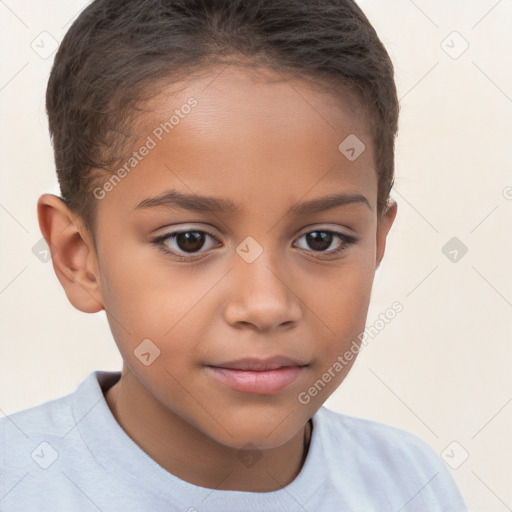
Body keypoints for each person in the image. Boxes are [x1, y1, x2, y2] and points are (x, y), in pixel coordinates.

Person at [0, 0, 468, 510]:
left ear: (378, 242)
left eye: (320, 239)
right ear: (77, 256)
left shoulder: (410, 486)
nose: (265, 305)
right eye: (190, 241)